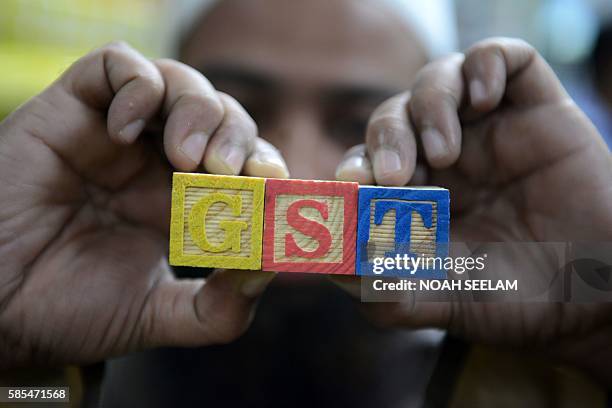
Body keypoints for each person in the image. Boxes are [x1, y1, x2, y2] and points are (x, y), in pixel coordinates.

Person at [0, 0, 610, 405]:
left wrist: (597, 301)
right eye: (238, 110)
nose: (293, 173)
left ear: (441, 144)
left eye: (358, 124)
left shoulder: (552, 369)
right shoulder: (46, 376)